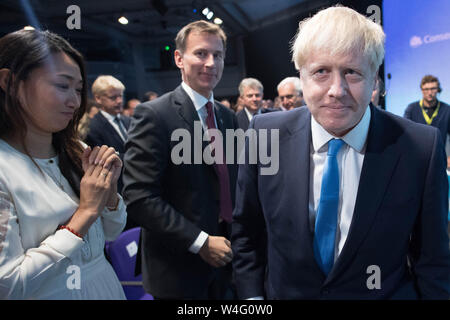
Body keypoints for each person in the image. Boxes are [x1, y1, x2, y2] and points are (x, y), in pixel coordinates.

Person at [232, 5, 450, 299]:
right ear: (302, 76)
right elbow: (248, 232)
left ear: (374, 80)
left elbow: (432, 258)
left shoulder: (421, 147)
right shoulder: (264, 134)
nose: (336, 89)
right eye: (321, 71)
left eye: (352, 72)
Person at [0, 29, 127, 299]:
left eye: (78, 89)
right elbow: (9, 285)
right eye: (62, 86)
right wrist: (85, 213)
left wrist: (110, 193)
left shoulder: (76, 149)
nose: (74, 101)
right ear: (9, 82)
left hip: (105, 286)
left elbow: (113, 233)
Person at [123, 20, 238, 299]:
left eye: (218, 55)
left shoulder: (227, 118)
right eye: (201, 53)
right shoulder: (154, 115)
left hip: (227, 261)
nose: (211, 63)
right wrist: (200, 242)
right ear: (179, 58)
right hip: (178, 269)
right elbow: (139, 197)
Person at [85, 76, 130, 196]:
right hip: (116, 191)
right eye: (113, 97)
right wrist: (139, 157)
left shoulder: (129, 121)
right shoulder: (93, 127)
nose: (119, 101)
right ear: (98, 98)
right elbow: (106, 160)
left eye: (120, 96)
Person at [404, 75, 450, 166]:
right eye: (426, 89)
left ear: (438, 90)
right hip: (416, 157)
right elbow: (406, 133)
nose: (430, 92)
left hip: (440, 158)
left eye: (433, 88)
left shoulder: (447, 109)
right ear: (422, 90)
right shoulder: (412, 108)